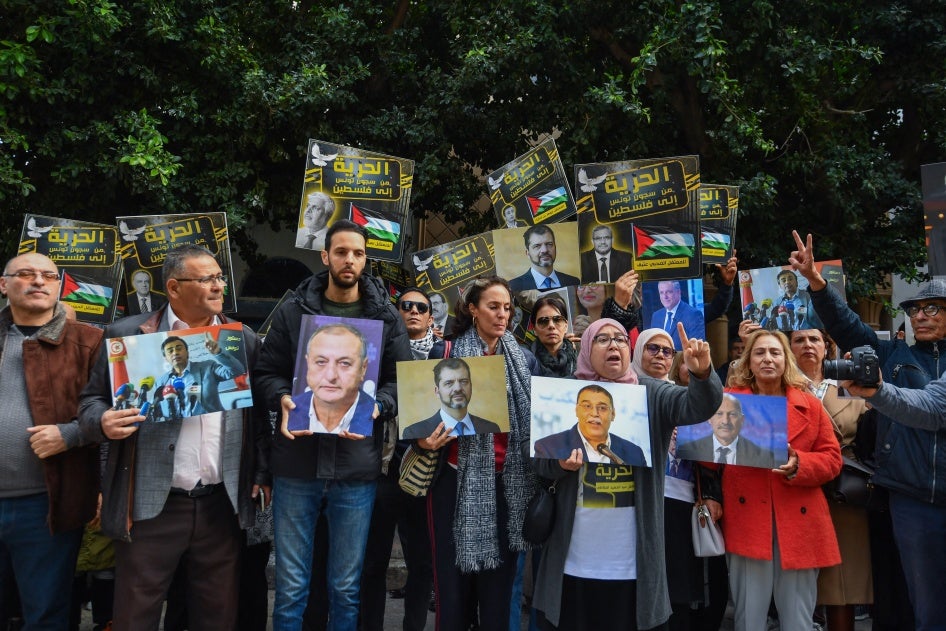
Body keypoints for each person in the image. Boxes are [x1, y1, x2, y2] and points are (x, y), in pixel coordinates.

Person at [78, 243, 268, 630]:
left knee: (216, 616)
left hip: (220, 503)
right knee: (136, 614)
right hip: (151, 504)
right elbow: (89, 403)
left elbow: (259, 419)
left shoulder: (241, 339)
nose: (219, 286)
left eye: (219, 277)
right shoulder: (128, 335)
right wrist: (103, 422)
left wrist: (262, 473)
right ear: (174, 287)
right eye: (207, 279)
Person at [253, 220, 411, 630]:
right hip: (296, 464)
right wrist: (282, 398)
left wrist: (382, 404)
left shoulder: (385, 317)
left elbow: (404, 380)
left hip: (355, 467)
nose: (349, 260)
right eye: (341, 252)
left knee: (345, 587)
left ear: (365, 259)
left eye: (358, 253)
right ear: (325, 257)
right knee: (290, 587)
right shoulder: (293, 311)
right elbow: (266, 372)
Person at [532, 318, 722, 630]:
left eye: (620, 339)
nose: (614, 345)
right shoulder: (565, 394)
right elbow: (541, 463)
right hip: (574, 559)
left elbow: (698, 408)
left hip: (632, 563)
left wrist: (702, 374)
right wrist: (560, 465)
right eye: (602, 339)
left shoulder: (652, 394)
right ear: (586, 349)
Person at [790, 230, 932, 630]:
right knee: (909, 595)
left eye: (932, 309)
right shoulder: (894, 355)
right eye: (915, 309)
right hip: (908, 491)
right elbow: (850, 326)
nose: (920, 316)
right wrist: (817, 284)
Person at [416, 276, 537, 631]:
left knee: (498, 599)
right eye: (493, 306)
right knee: (452, 597)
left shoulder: (524, 361)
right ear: (472, 310)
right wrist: (425, 441)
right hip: (454, 484)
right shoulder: (446, 353)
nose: (502, 315)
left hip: (510, 487)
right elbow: (420, 420)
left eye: (507, 308)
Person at [0, 253, 104, 629]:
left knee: (46, 615)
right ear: (4, 284)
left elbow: (117, 414)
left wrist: (70, 433)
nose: (38, 282)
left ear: (59, 286)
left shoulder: (91, 343)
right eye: (26, 274)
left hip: (45, 505)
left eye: (48, 276)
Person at [717, 328, 841, 631]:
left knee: (798, 616)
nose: (767, 359)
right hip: (748, 520)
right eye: (759, 353)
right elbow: (709, 460)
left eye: (775, 352)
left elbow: (832, 459)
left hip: (798, 519)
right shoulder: (728, 403)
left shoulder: (810, 405)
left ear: (786, 360)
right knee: (748, 616)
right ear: (748, 361)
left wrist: (799, 463)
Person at [359, 288, 438, 631]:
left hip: (423, 472)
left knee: (422, 564)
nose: (413, 311)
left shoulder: (443, 356)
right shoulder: (376, 355)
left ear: (431, 317)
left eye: (421, 307)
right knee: (373, 562)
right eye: (405, 306)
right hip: (382, 469)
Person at [788, 328, 873, 631]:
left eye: (815, 340)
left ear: (828, 347)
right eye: (799, 340)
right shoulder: (778, 387)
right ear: (790, 349)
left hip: (842, 492)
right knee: (797, 581)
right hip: (795, 488)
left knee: (843, 580)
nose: (808, 345)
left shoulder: (850, 387)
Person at [286, 324, 376, 435]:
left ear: (363, 368)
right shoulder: (292, 406)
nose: (331, 376)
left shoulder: (374, 411)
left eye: (344, 363)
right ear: (308, 363)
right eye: (321, 362)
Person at [533, 384, 646, 465]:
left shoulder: (634, 453)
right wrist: (561, 467)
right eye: (587, 406)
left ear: (613, 414)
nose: (594, 413)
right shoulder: (548, 447)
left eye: (602, 408)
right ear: (576, 410)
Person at [402, 358, 502, 440]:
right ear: (437, 391)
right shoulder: (415, 432)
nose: (458, 388)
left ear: (471, 386)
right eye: (449, 383)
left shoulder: (492, 427)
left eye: (463, 381)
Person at [155, 332, 246, 418]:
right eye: (170, 351)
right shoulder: (161, 382)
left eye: (179, 348)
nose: (175, 353)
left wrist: (218, 352)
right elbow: (157, 410)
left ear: (187, 352)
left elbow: (237, 370)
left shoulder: (208, 367)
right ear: (166, 358)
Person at [675, 393, 778, 467]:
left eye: (732, 414)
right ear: (709, 418)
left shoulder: (763, 456)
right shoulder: (687, 449)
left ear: (742, 420)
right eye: (719, 414)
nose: (725, 421)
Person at [508, 225, 580, 291]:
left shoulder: (573, 282)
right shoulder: (513, 286)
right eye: (537, 246)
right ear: (528, 253)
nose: (544, 250)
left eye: (549, 244)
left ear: (555, 248)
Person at [529, 294, 578, 378]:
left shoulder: (583, 361)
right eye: (543, 321)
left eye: (557, 320)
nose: (551, 326)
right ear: (534, 329)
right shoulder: (524, 360)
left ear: (566, 326)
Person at [649, 281, 705, 349]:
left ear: (678, 292)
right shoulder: (656, 316)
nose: (665, 296)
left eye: (669, 292)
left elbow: (696, 349)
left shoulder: (694, 315)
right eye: (661, 293)